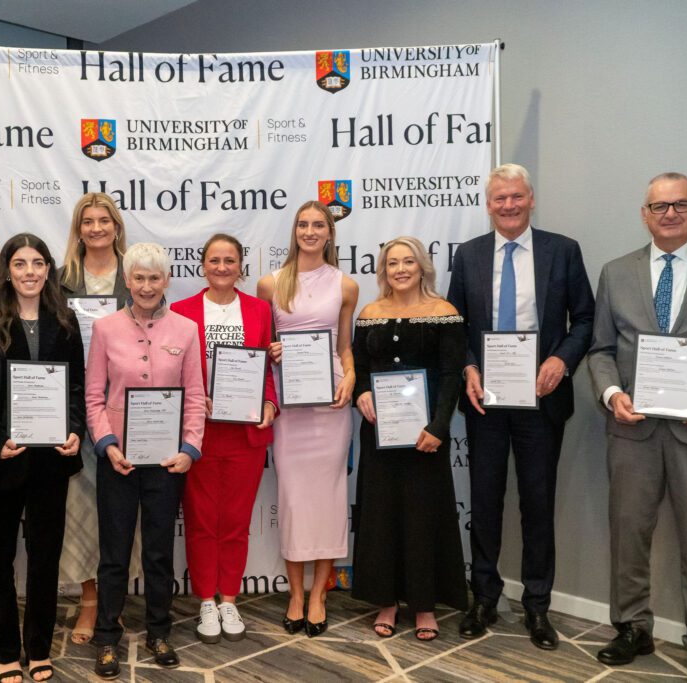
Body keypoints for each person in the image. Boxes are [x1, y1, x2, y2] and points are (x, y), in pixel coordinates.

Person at [587, 173, 687, 683]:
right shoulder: (616, 272)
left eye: (680, 204)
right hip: (633, 431)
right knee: (629, 535)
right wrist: (613, 394)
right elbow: (602, 350)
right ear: (645, 213)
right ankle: (632, 628)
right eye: (660, 206)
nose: (670, 213)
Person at [446, 163, 594, 649]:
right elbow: (456, 325)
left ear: (531, 199)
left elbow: (585, 320)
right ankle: (484, 598)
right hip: (486, 401)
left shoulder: (562, 250)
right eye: (498, 199)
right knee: (485, 503)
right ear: (487, 205)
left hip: (541, 399)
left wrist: (560, 360)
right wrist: (469, 367)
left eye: (516, 197)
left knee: (537, 504)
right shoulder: (468, 256)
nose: (507, 206)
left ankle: (537, 607)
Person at [0, 233, 86, 683]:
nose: (29, 272)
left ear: (49, 269)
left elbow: (75, 389)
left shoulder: (66, 321)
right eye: (20, 263)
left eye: (37, 263)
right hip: (1, 459)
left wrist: (74, 431)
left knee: (45, 559)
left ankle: (38, 649)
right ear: (6, 270)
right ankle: (6, 651)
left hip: (51, 462)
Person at [85, 242, 206, 679]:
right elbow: (93, 397)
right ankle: (106, 639)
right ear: (128, 281)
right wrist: (106, 444)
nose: (147, 286)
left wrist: (190, 448)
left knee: (158, 553)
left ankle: (159, 632)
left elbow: (195, 396)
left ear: (167, 281)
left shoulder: (187, 330)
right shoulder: (104, 329)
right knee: (114, 555)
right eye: (139, 277)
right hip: (117, 458)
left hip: (167, 461)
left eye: (155, 277)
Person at [351, 237, 468, 641]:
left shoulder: (444, 312)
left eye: (408, 262)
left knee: (422, 517)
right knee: (382, 515)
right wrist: (361, 392)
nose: (401, 269)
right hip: (380, 435)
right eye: (392, 263)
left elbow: (453, 375)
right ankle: (386, 600)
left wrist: (438, 428)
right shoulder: (370, 312)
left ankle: (424, 605)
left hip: (425, 437)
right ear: (383, 270)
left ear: (422, 267)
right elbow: (360, 366)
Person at [257, 200, 358, 638]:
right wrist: (272, 350)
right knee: (295, 499)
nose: (311, 231)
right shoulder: (271, 283)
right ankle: (295, 595)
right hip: (291, 406)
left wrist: (351, 378)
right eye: (304, 224)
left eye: (319, 225)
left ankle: (319, 594)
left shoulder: (346, 285)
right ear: (294, 230)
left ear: (331, 233)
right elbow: (264, 346)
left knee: (331, 498)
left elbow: (345, 348)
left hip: (332, 404)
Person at [171, 234, 279, 643]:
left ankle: (229, 598)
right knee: (200, 520)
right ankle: (204, 600)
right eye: (214, 260)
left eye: (229, 260)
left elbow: (267, 371)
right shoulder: (181, 312)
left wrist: (270, 403)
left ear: (240, 267)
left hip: (246, 433)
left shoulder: (259, 310)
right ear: (202, 266)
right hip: (199, 432)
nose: (221, 267)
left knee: (235, 520)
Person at [56, 192, 137, 646]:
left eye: (104, 220)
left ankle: (115, 604)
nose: (96, 228)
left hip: (126, 406)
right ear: (79, 228)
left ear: (116, 226)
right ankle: (90, 603)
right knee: (81, 509)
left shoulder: (134, 275)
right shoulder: (62, 278)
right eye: (88, 221)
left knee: (122, 512)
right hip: (75, 403)